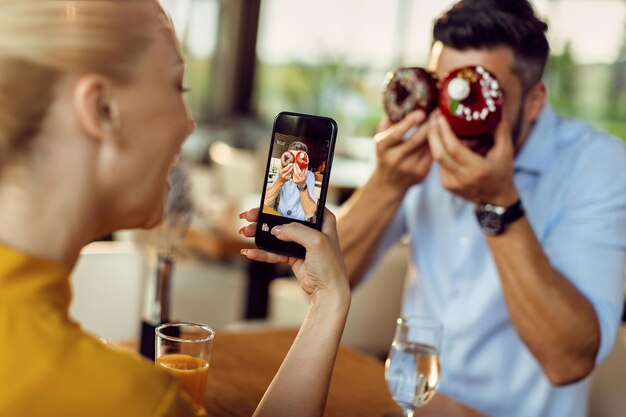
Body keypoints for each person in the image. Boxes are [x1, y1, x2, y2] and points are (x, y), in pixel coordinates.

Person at [0, 1, 350, 417]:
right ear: (102, 109)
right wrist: (330, 302)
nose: (189, 122)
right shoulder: (123, 400)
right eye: (175, 87)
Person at [337, 1, 626, 416]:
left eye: (477, 94)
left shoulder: (597, 165)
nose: (453, 118)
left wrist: (499, 204)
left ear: (533, 101)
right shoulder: (421, 143)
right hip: (417, 406)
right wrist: (388, 182)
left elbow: (569, 360)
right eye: (443, 89)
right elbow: (325, 280)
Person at [264, 141, 318, 221]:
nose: (294, 164)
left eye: (299, 159)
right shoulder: (281, 172)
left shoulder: (309, 175)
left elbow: (310, 213)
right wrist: (280, 180)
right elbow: (265, 201)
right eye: (291, 159)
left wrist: (302, 185)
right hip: (279, 217)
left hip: (299, 222)